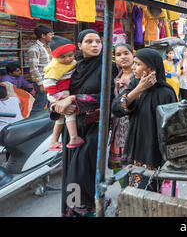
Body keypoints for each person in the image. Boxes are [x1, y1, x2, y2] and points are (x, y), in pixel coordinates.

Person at [53, 29, 118, 217]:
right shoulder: (74, 67)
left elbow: (107, 97)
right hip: (73, 124)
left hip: (95, 125)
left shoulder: (108, 66)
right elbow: (57, 91)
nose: (95, 45)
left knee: (82, 169)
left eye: (98, 41)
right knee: (71, 168)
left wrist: (74, 99)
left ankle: (90, 207)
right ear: (79, 46)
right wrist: (60, 105)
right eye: (89, 41)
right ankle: (74, 209)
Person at [111, 48, 177, 190]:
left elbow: (171, 129)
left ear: (151, 68)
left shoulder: (166, 93)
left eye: (138, 64)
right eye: (134, 63)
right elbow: (116, 109)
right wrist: (138, 89)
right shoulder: (135, 84)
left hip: (153, 151)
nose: (133, 67)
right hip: (135, 148)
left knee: (148, 191)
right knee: (131, 190)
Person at [43, 35, 83, 151]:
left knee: (60, 118)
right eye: (62, 57)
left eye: (70, 55)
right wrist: (59, 97)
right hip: (57, 92)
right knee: (70, 113)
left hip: (61, 92)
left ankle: (53, 141)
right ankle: (74, 138)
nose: (67, 59)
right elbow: (48, 84)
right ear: (55, 57)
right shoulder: (54, 67)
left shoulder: (71, 62)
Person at [108, 43, 133, 174]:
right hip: (119, 128)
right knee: (119, 169)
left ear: (132, 54)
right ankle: (125, 190)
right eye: (118, 55)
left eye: (126, 53)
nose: (122, 57)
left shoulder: (140, 75)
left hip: (135, 126)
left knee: (135, 167)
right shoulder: (115, 78)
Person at [28, 25, 54, 116]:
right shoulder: (34, 49)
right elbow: (33, 69)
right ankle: (30, 126)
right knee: (39, 106)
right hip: (42, 81)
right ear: (43, 35)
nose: (52, 37)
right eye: (50, 35)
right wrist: (41, 84)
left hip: (49, 80)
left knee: (47, 104)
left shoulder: (47, 47)